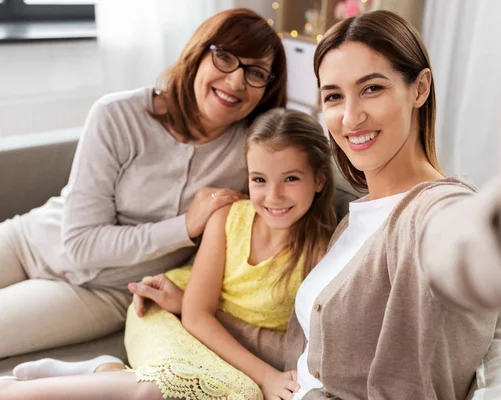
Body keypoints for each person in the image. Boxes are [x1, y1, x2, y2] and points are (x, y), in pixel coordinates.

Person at [98, 8, 501, 399]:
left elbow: (463, 249)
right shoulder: (351, 217)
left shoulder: (432, 210)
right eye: (334, 97)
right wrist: (192, 307)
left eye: (373, 88)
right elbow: (308, 354)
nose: (352, 116)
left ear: (419, 88)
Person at [0, 8, 286, 359]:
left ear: (267, 89)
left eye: (256, 72)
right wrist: (185, 226)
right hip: (28, 240)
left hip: (102, 292)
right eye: (225, 57)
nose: (236, 81)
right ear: (198, 54)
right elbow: (80, 243)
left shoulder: (253, 153)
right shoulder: (117, 115)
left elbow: (303, 160)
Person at [0, 108, 337, 400]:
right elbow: (194, 314)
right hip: (168, 315)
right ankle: (12, 391)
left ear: (319, 180)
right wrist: (266, 376)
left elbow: (299, 346)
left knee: (237, 394)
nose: (273, 196)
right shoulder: (230, 217)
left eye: (291, 178)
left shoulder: (324, 250)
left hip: (216, 337)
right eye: (259, 179)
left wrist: (266, 376)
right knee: (175, 387)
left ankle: (103, 369)